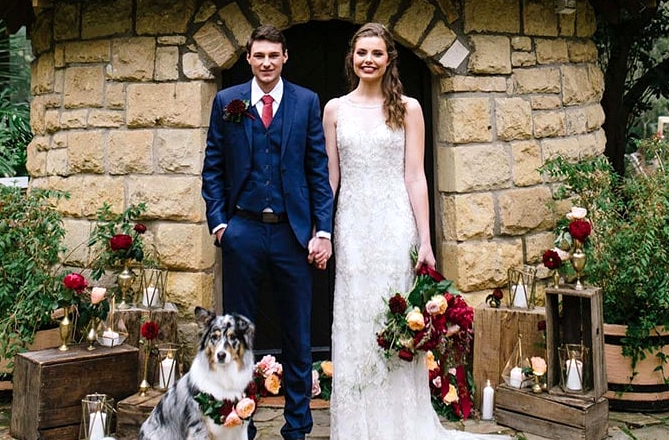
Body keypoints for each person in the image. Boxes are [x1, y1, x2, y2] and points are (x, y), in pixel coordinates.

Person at [323, 22, 505, 440]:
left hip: (393, 225)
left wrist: (425, 239)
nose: (368, 60)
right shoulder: (335, 109)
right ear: (352, 58)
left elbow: (415, 177)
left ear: (389, 60)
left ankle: (400, 424)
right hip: (352, 227)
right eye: (361, 53)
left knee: (396, 322)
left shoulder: (409, 108)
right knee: (355, 322)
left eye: (377, 53)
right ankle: (356, 426)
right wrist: (324, 231)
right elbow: (330, 178)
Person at [202, 24, 334, 440]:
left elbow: (318, 171)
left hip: (292, 235)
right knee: (237, 334)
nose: (266, 63)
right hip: (242, 231)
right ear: (249, 58)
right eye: (259, 56)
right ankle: (241, 423)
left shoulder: (306, 102)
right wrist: (222, 225)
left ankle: (297, 426)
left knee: (298, 335)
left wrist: (323, 231)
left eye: (273, 56)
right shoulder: (228, 101)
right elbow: (213, 168)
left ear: (285, 57)